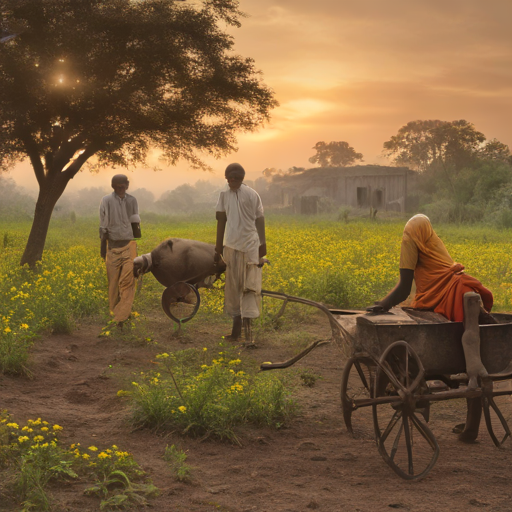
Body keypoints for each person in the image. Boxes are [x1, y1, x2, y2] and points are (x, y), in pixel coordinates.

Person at [367, 213, 494, 441]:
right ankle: (471, 427)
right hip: (461, 291)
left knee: (416, 333)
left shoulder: (410, 241)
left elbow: (405, 288)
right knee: (472, 359)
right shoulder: (431, 239)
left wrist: (381, 304)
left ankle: (417, 388)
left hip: (449, 298)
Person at [215, 163, 266, 345]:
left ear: (242, 178)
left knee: (249, 290)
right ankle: (235, 333)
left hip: (250, 247)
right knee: (233, 290)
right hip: (231, 247)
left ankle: (249, 338)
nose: (232, 181)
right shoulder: (224, 196)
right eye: (229, 178)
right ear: (226, 178)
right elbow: (221, 222)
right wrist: (217, 250)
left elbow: (260, 220)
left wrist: (263, 249)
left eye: (236, 178)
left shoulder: (252, 195)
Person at [99, 174, 141, 326]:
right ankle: (114, 314)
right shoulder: (106, 200)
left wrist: (136, 247)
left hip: (129, 245)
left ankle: (122, 316)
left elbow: (136, 221)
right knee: (113, 284)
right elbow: (103, 227)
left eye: (122, 186)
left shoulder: (132, 200)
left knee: (128, 282)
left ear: (127, 185)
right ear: (112, 186)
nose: (120, 188)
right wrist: (103, 250)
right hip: (113, 246)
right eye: (117, 186)